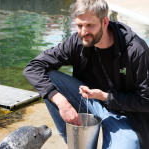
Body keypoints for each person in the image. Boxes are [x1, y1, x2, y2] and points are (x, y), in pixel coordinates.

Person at [23, 0, 149, 148]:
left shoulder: (136, 50)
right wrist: (62, 103)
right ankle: (73, 139)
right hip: (90, 102)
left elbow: (146, 100)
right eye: (79, 25)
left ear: (105, 22)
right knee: (50, 77)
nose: (83, 32)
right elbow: (32, 68)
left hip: (125, 115)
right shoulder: (77, 41)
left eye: (90, 25)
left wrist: (105, 96)